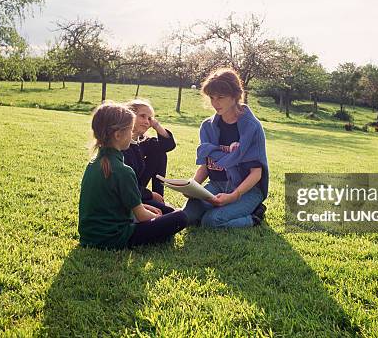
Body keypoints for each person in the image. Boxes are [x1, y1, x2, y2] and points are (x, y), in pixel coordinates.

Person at [78, 101, 187, 249]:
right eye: (130, 130)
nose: (132, 134)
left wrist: (144, 205)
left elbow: (115, 201)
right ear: (117, 135)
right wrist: (158, 218)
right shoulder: (123, 170)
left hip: (88, 236)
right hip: (115, 237)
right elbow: (142, 216)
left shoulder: (93, 164)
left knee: (165, 213)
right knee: (180, 217)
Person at [182, 68, 269, 228]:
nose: (215, 103)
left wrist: (234, 196)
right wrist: (192, 187)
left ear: (235, 96)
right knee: (186, 218)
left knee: (211, 221)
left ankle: (254, 216)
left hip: (247, 190)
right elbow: (206, 165)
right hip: (216, 185)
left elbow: (256, 174)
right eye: (212, 97)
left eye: (221, 97)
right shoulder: (207, 126)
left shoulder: (252, 128)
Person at [122, 99, 176, 215]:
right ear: (129, 115)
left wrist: (156, 125)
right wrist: (149, 194)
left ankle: (159, 198)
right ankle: (148, 201)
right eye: (142, 116)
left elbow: (168, 145)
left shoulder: (143, 142)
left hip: (139, 188)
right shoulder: (120, 144)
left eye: (149, 119)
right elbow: (122, 184)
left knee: (160, 152)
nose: (147, 122)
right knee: (170, 213)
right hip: (128, 192)